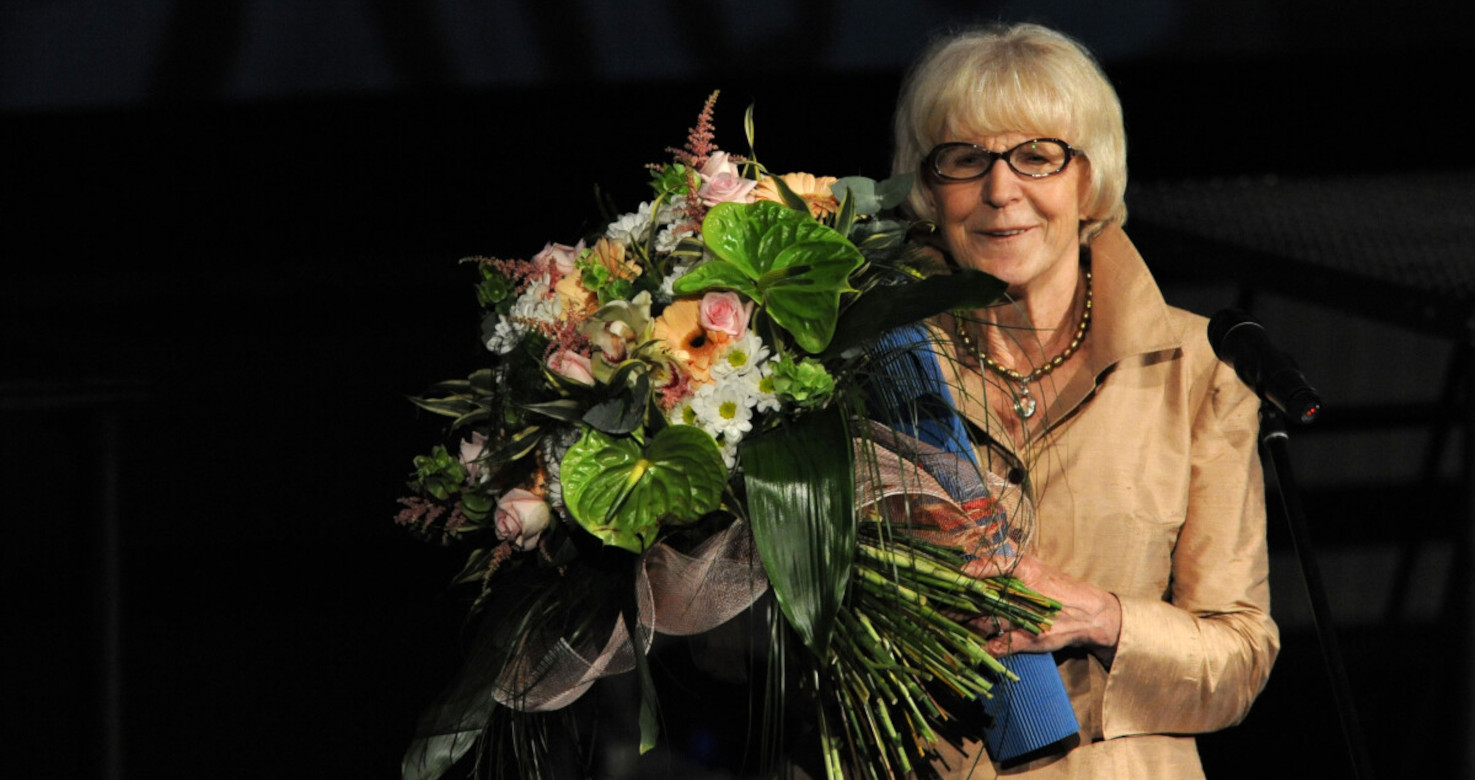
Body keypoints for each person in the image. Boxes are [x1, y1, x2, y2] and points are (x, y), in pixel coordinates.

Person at [890, 23, 1280, 778]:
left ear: (1089, 180)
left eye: (1036, 156)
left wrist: (1101, 616)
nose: (1000, 191)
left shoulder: (1197, 370)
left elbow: (1239, 657)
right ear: (927, 189)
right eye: (964, 160)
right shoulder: (865, 360)